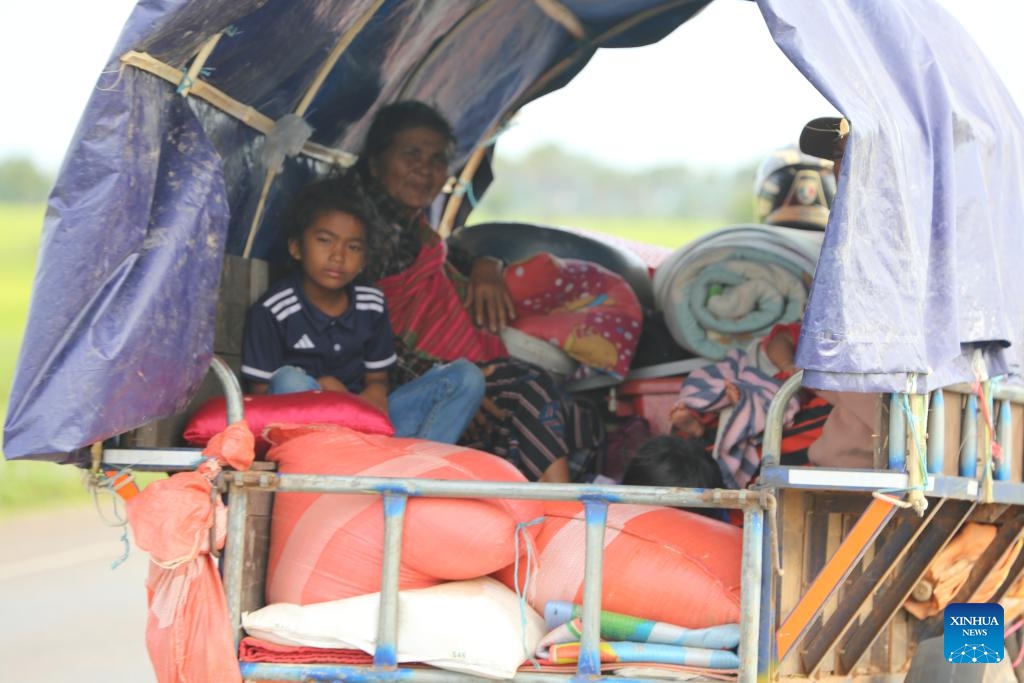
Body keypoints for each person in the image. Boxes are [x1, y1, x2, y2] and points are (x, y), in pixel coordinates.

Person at [352, 100, 600, 483]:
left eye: (437, 160)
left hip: (453, 370)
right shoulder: (362, 233)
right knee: (528, 388)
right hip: (397, 380)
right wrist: (453, 385)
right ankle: (562, 514)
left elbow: (454, 257)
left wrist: (488, 266)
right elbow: (361, 331)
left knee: (577, 412)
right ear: (375, 162)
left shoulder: (411, 226)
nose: (425, 168)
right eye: (411, 153)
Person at [240, 178, 485, 444]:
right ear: (296, 247)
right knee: (288, 380)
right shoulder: (274, 310)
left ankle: (416, 471)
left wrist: (373, 396)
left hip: (368, 425)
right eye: (325, 241)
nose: (338, 256)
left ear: (365, 258)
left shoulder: (372, 303)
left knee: (466, 376)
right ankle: (328, 467)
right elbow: (262, 394)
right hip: (314, 434)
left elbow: (377, 379)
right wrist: (328, 394)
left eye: (353, 247)